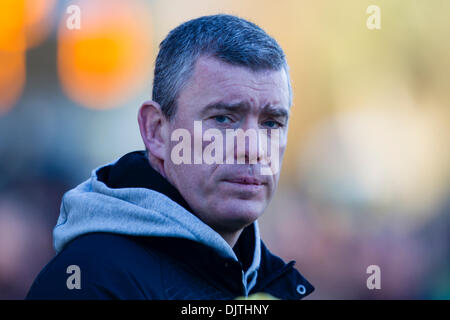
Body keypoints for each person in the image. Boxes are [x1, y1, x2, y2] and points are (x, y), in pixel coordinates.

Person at [26, 14, 314, 300]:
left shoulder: (268, 281)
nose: (254, 149)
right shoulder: (89, 283)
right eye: (224, 118)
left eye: (271, 123)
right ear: (156, 131)